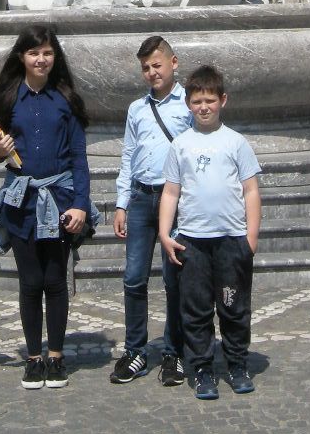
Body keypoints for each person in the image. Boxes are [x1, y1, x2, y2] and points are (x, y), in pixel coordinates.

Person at [0, 25, 91, 390]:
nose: (41, 59)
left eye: (47, 52)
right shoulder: (9, 98)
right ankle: (32, 358)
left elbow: (79, 157)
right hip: (21, 200)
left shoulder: (66, 99)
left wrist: (81, 204)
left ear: (55, 56)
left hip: (59, 199)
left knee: (55, 280)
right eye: (33, 53)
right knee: (30, 282)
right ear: (21, 57)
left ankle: (55, 356)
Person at [158, 64, 260, 401]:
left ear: (223, 100)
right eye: (197, 101)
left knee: (234, 307)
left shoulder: (236, 142)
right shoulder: (181, 145)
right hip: (192, 241)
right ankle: (202, 368)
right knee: (196, 309)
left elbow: (250, 191)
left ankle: (237, 364)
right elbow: (171, 192)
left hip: (231, 239)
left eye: (210, 100)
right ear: (188, 104)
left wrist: (251, 238)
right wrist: (164, 233)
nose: (204, 107)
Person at [110, 35, 193, 386]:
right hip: (142, 198)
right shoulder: (137, 109)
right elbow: (129, 155)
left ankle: (174, 352)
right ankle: (135, 351)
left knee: (174, 279)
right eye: (145, 68)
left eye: (157, 65)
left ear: (173, 63)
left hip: (175, 200)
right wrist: (121, 202)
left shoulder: (189, 104)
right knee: (133, 277)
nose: (151, 73)